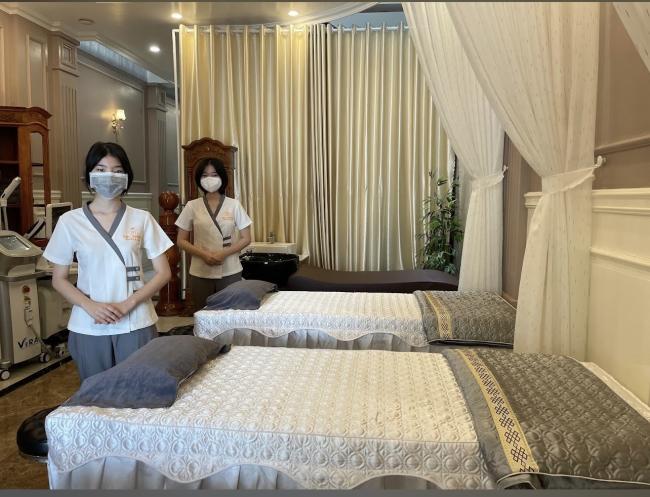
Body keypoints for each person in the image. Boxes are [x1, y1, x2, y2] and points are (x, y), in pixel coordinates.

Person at [43, 142, 173, 382]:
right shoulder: (70, 222)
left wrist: (128, 304)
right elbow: (59, 279)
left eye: (117, 170)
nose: (109, 176)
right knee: (96, 392)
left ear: (126, 177)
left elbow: (163, 272)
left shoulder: (141, 218)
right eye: (101, 170)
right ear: (90, 176)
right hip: (89, 322)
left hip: (136, 319)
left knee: (139, 388)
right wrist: (89, 305)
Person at [175, 157, 252, 308]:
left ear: (222, 177)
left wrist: (223, 253)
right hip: (200, 270)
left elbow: (246, 238)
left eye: (214, 174)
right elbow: (181, 241)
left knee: (230, 314)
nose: (209, 179)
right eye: (205, 175)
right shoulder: (192, 206)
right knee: (202, 313)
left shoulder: (234, 205)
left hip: (230, 269)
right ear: (199, 179)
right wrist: (204, 255)